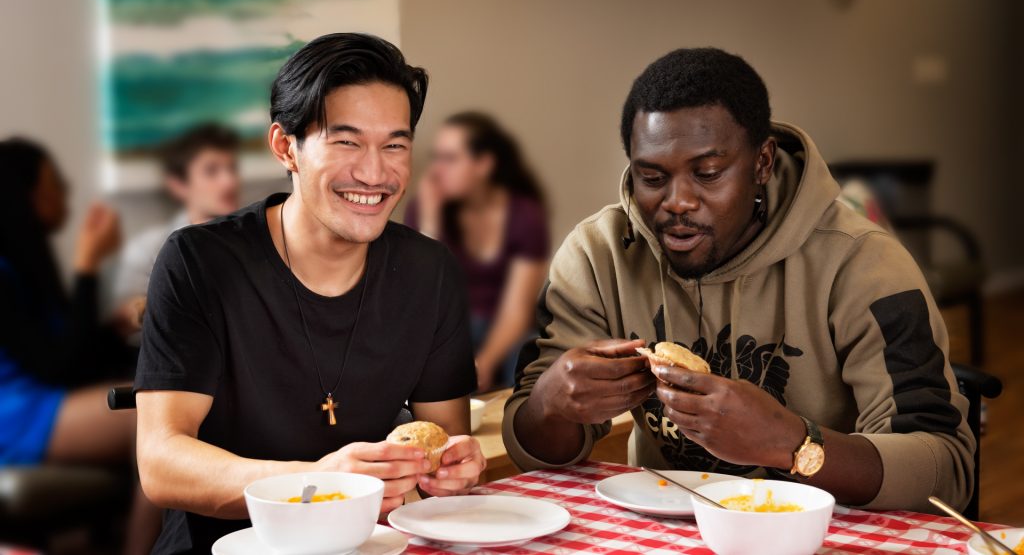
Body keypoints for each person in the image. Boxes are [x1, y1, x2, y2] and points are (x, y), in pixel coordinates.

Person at [503, 48, 975, 512]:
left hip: (826, 534)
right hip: (668, 534)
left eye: (707, 173)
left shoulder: (864, 263)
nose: (678, 201)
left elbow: (945, 469)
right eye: (651, 177)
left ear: (762, 162)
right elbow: (534, 451)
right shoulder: (597, 255)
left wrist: (790, 443)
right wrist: (551, 403)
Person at [134, 33, 486, 555]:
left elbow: (442, 443)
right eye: (346, 141)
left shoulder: (428, 271)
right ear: (285, 147)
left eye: (395, 144)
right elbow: (162, 462)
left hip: (370, 544)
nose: (374, 172)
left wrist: (453, 469)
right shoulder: (201, 262)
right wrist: (318, 482)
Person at [0, 138, 161, 555]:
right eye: (53, 186)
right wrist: (87, 263)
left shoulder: (27, 263)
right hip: (15, 416)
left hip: (41, 401)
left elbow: (72, 355)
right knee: (150, 416)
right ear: (24, 196)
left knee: (156, 401)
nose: (65, 195)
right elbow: (59, 367)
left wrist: (109, 328)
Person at [406, 112, 549, 391]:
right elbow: (420, 299)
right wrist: (431, 224)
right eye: (436, 157)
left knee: (528, 356)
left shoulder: (525, 216)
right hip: (444, 324)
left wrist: (485, 361)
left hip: (505, 331)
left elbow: (517, 309)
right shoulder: (424, 208)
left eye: (449, 159)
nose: (436, 170)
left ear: (483, 165)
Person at [113, 123, 241, 339]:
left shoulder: (257, 242)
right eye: (212, 171)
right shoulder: (147, 248)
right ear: (178, 185)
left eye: (232, 169)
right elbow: (122, 320)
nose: (229, 181)